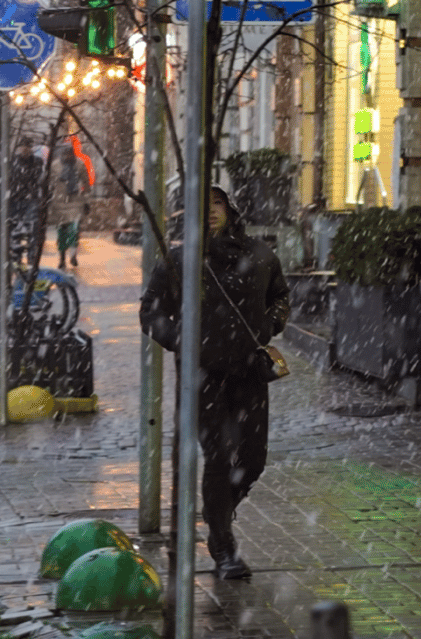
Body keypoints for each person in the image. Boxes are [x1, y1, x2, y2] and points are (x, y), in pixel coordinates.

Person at [138, 186, 291, 580]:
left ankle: (218, 511)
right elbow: (151, 312)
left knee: (253, 458)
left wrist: (271, 324)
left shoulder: (259, 255)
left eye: (217, 203)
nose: (210, 212)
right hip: (203, 375)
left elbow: (281, 296)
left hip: (249, 373)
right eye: (201, 206)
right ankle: (223, 547)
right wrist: (181, 340)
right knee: (219, 459)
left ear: (230, 209)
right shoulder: (179, 261)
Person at [7, 138, 46, 256]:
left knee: (32, 228)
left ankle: (31, 256)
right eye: (23, 146)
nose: (25, 149)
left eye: (27, 147)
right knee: (16, 229)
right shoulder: (12, 161)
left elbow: (40, 178)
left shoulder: (36, 162)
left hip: (30, 198)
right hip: (16, 199)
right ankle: (17, 256)